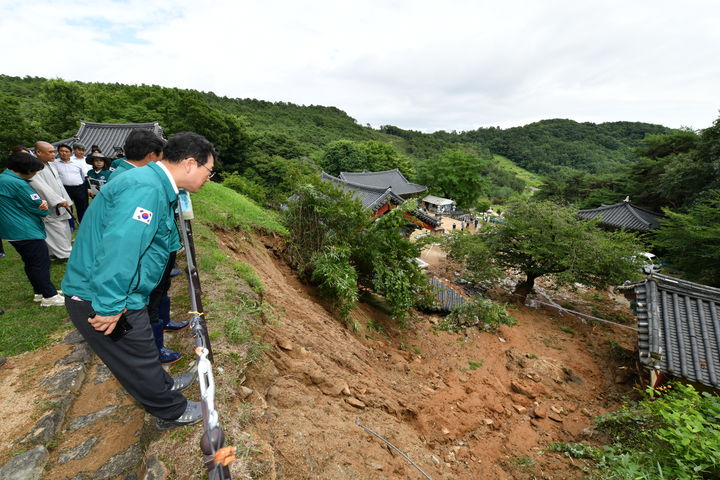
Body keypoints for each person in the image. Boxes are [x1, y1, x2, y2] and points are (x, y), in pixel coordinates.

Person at [61, 131, 217, 429]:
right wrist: (108, 306)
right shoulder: (146, 190)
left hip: (118, 290)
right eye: (208, 171)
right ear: (189, 163)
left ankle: (165, 385)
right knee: (137, 357)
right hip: (103, 295)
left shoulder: (151, 183)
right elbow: (121, 247)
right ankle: (171, 411)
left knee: (142, 349)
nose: (209, 178)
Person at [107, 129, 186, 365]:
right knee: (151, 298)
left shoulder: (139, 176)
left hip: (162, 246)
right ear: (152, 155)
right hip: (149, 253)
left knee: (161, 289)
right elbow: (129, 235)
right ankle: (156, 351)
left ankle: (164, 323)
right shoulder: (135, 182)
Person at [0, 152, 64, 306]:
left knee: (31, 262)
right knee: (40, 263)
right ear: (25, 169)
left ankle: (40, 291)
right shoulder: (19, 184)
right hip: (26, 230)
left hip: (12, 230)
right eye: (34, 171)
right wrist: (43, 205)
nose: (35, 174)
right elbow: (38, 208)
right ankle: (50, 296)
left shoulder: (3, 178)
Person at [31, 142, 73, 259]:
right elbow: (41, 187)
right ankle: (66, 254)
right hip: (51, 204)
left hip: (62, 201)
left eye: (54, 151)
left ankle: (56, 252)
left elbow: (59, 185)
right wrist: (57, 200)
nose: (54, 154)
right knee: (55, 229)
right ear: (38, 152)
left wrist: (66, 200)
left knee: (64, 227)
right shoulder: (34, 167)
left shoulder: (50, 165)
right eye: (50, 152)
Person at [55, 143, 90, 222]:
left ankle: (83, 223)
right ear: (58, 152)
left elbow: (83, 176)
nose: (64, 153)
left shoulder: (77, 163)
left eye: (66, 151)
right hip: (65, 188)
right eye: (62, 151)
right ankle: (71, 225)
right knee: (67, 207)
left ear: (70, 152)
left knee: (82, 207)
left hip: (79, 188)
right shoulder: (55, 163)